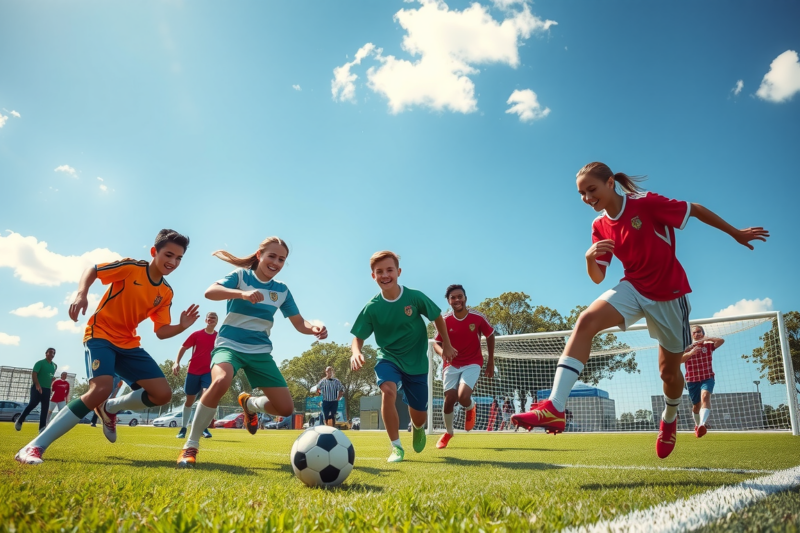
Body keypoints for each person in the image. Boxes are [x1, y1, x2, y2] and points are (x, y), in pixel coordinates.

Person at [511, 162, 768, 459]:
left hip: (669, 296)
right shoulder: (599, 226)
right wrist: (588, 257)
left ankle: (670, 418)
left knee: (668, 374)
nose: (586, 198)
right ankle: (555, 407)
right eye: (581, 193)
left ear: (610, 183)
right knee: (585, 321)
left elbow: (694, 208)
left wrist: (735, 233)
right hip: (633, 288)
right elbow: (598, 276)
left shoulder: (645, 204)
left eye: (591, 189)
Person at [15, 229, 200, 465]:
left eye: (179, 258)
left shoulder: (165, 292)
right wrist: (81, 294)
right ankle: (34, 447)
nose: (173, 262)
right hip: (100, 335)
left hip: (129, 344)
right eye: (169, 255)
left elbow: (161, 332)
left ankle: (110, 408)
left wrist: (182, 326)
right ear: (154, 252)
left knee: (162, 394)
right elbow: (92, 269)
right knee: (100, 389)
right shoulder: (132, 267)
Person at [177, 237, 326, 467]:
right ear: (260, 255)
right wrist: (241, 294)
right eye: (272, 256)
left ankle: (250, 404)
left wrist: (314, 328)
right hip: (229, 345)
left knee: (285, 408)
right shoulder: (240, 277)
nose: (276, 262)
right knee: (220, 382)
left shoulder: (282, 290)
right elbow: (210, 291)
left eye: (282, 259)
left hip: (260, 352)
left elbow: (299, 323)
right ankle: (190, 446)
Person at [350, 250, 456, 463]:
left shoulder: (414, 297)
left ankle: (417, 427)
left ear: (398, 272)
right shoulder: (372, 307)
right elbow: (358, 337)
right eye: (379, 271)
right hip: (388, 357)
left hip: (416, 363)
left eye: (389, 270)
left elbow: (436, 316)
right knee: (387, 391)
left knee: (419, 415)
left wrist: (447, 345)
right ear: (373, 276)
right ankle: (396, 447)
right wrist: (356, 352)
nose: (385, 275)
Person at [433, 284, 495, 449]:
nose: (457, 300)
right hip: (451, 364)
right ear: (449, 301)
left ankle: (470, 406)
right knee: (449, 400)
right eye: (453, 297)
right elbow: (436, 343)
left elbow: (490, 335)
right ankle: (448, 433)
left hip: (472, 362)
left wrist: (491, 362)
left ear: (465, 298)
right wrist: (442, 353)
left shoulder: (477, 317)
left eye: (460, 296)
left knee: (462, 396)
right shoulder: (445, 320)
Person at [173, 312, 218, 439]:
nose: (211, 319)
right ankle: (183, 428)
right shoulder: (197, 334)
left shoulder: (219, 337)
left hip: (208, 372)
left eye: (214, 318)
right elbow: (183, 347)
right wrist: (176, 363)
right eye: (209, 318)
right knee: (189, 400)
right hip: (193, 371)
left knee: (206, 397)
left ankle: (203, 428)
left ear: (216, 322)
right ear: (206, 320)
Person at [681, 325, 724, 438]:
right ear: (691, 335)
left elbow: (721, 341)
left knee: (705, 396)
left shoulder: (708, 345)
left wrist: (706, 338)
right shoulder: (688, 348)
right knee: (696, 406)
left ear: (703, 333)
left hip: (707, 377)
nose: (697, 334)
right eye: (694, 333)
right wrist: (691, 353)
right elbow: (679, 359)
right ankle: (697, 425)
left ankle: (702, 424)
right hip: (692, 380)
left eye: (699, 332)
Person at [15, 348, 57, 432]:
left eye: (54, 353)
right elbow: (34, 374)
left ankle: (42, 428)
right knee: (33, 404)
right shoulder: (40, 363)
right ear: (46, 353)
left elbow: (49, 376)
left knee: (45, 408)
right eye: (51, 352)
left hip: (47, 389)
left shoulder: (54, 366)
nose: (52, 354)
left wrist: (52, 382)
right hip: (37, 388)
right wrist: (37, 385)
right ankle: (19, 421)